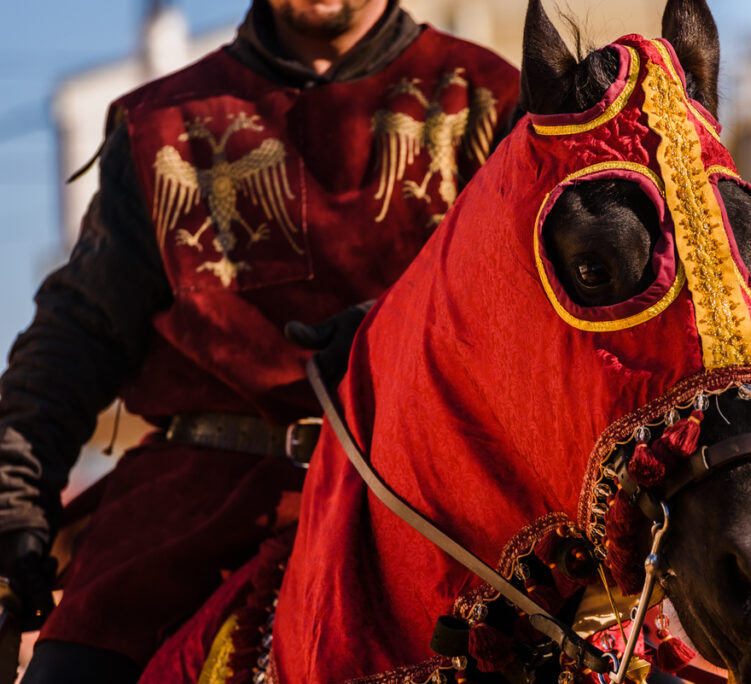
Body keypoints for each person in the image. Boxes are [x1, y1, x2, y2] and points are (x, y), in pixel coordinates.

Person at [0, 0, 519, 681]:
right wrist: (14, 493)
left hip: (427, 503)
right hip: (193, 502)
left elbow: (533, 311)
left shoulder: (494, 99)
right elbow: (80, 329)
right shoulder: (160, 124)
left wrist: (388, 336)